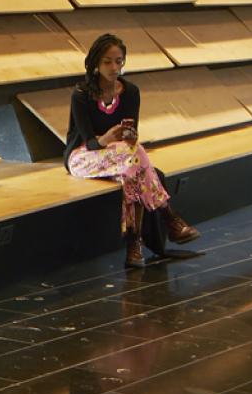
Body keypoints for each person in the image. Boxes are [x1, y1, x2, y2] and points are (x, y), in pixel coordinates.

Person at [64, 32, 197, 267]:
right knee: (134, 161)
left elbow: (132, 140)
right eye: (107, 62)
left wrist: (127, 138)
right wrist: (106, 138)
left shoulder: (131, 92)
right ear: (96, 62)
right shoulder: (81, 94)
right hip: (84, 156)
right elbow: (89, 141)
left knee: (131, 169)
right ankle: (166, 217)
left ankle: (134, 244)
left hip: (122, 157)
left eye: (118, 61)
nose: (114, 67)